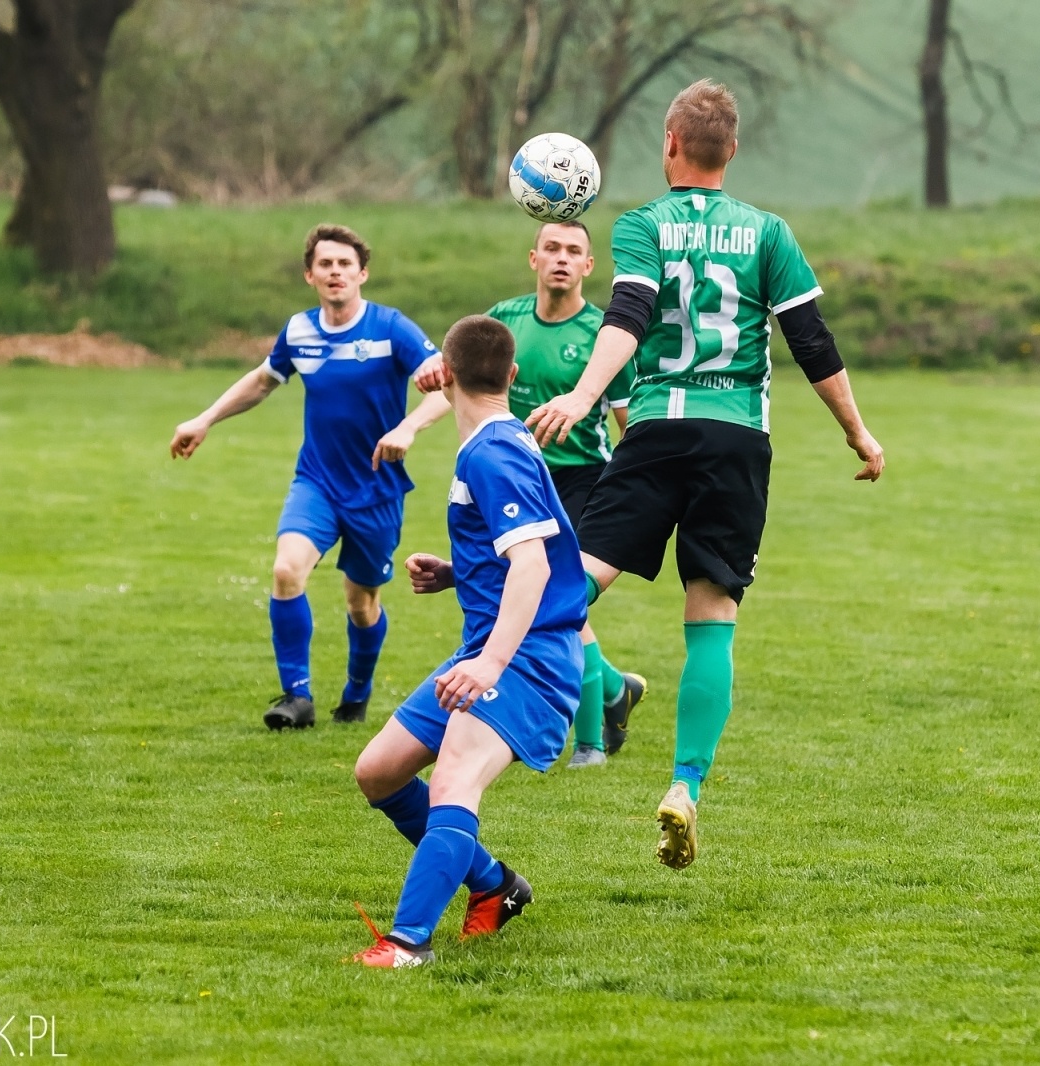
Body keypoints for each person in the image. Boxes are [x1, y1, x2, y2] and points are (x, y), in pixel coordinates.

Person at [526, 79, 885, 869]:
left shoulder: (642, 225)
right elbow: (812, 341)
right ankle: (685, 784)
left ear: (670, 144)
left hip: (657, 429)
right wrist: (857, 431)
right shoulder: (768, 232)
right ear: (733, 151)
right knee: (712, 613)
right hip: (737, 439)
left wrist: (583, 396)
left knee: (570, 585)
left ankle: (527, 690)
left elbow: (628, 318)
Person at [349, 314, 587, 968]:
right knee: (379, 772)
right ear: (513, 375)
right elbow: (534, 548)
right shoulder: (496, 439)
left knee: (453, 780)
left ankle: (408, 944)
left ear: (445, 374)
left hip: (526, 659)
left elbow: (534, 565)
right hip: (492, 647)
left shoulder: (492, 452)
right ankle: (495, 884)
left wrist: (490, 664)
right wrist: (462, 573)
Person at [170, 224, 448, 730]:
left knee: (361, 604)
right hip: (316, 481)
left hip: (376, 488)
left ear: (362, 274)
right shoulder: (299, 331)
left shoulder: (391, 328)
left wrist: (408, 427)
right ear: (309, 275)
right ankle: (296, 697)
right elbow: (263, 380)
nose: (335, 272)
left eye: (345, 264)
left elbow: (445, 385)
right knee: (285, 570)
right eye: (325, 264)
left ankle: (357, 691)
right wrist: (204, 419)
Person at [486, 219, 646, 769]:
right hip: (518, 479)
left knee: (565, 601)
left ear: (588, 265)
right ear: (533, 259)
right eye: (551, 248)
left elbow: (630, 426)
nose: (561, 257)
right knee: (527, 599)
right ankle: (613, 689)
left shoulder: (606, 336)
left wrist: (641, 494)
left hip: (584, 480)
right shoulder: (504, 320)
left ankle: (591, 743)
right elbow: (470, 385)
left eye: (573, 250)